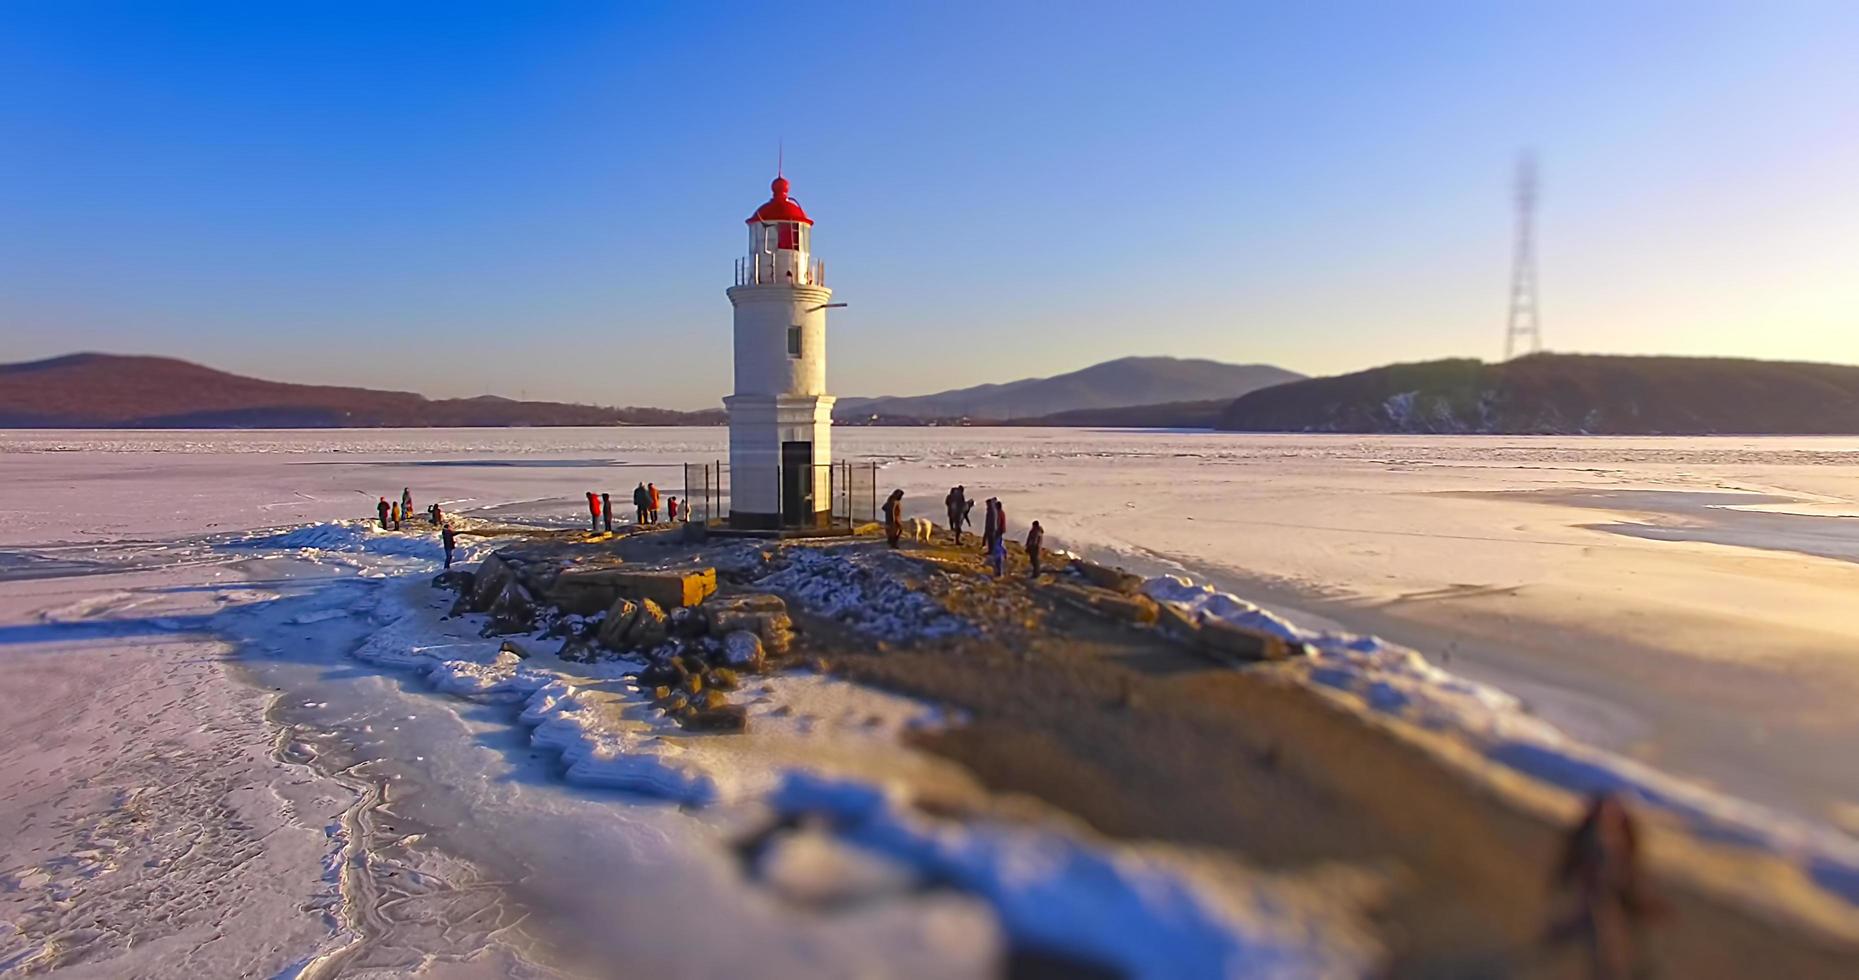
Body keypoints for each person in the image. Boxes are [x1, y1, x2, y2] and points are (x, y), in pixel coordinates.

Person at [1546, 792, 1664, 979]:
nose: (1608, 817)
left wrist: (1643, 899)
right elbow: (1572, 864)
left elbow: (1630, 873)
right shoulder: (1589, 838)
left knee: (1621, 933)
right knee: (1601, 938)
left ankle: (1557, 936)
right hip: (1597, 896)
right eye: (1605, 812)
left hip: (1617, 894)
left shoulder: (1622, 840)